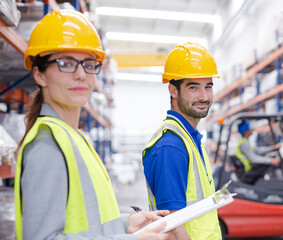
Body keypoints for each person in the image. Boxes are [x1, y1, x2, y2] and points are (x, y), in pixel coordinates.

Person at [14, 9, 173, 240]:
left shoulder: (75, 138)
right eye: (65, 63)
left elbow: (88, 224)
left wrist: (126, 224)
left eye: (88, 64)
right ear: (39, 75)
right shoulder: (48, 146)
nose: (81, 74)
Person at [142, 42, 222, 239]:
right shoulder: (172, 146)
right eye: (194, 87)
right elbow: (172, 222)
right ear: (173, 90)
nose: (204, 96)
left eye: (208, 87)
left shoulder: (191, 140)